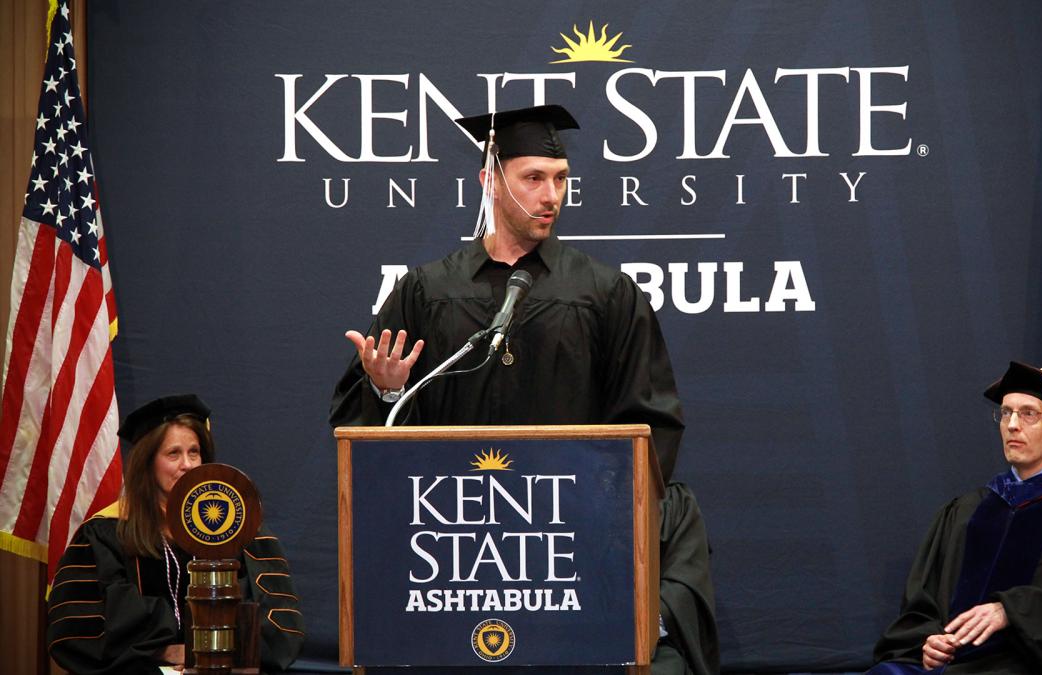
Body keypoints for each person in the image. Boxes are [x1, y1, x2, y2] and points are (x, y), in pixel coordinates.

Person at [330, 104, 718, 673]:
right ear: (489, 180)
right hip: (453, 551)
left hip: (568, 549)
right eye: (533, 178)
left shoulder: (606, 293)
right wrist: (387, 393)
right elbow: (368, 452)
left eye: (561, 180)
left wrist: (592, 513)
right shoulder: (427, 291)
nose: (551, 196)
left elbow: (650, 422)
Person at [868, 362, 1042, 675]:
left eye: (1028, 413)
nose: (1012, 425)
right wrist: (929, 642)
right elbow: (922, 608)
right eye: (1006, 413)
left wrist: (1013, 611)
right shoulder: (966, 511)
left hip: (1034, 665)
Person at [47, 395, 304, 674]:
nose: (187, 464)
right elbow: (75, 633)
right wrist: (163, 650)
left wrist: (216, 653)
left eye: (194, 452)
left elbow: (280, 624)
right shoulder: (107, 533)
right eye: (173, 454)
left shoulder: (236, 530)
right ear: (148, 462)